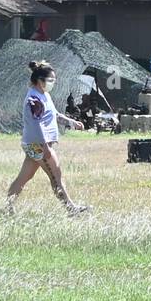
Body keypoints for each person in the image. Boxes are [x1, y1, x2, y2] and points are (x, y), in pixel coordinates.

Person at [7, 60, 89, 215]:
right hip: (39, 145)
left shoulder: (45, 95)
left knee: (24, 177)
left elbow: (54, 113)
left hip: (37, 144)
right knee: (56, 176)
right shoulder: (34, 99)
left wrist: (71, 122)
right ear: (39, 81)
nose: (53, 83)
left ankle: (8, 208)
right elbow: (37, 125)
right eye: (50, 80)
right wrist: (45, 147)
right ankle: (71, 209)